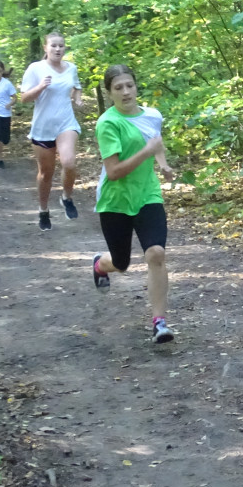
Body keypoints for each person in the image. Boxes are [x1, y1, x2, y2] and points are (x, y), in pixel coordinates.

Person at [91, 64, 176, 344]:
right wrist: (147, 153)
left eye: (130, 85)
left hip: (147, 195)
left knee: (156, 253)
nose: (126, 92)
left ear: (136, 87)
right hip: (115, 201)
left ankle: (159, 322)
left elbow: (156, 141)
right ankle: (101, 266)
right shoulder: (108, 123)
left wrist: (162, 164)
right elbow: (114, 172)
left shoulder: (152, 115)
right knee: (121, 262)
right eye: (118, 88)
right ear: (109, 93)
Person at [20, 31, 83, 231]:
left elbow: (77, 87)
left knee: (69, 162)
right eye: (53, 45)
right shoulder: (35, 68)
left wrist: (78, 98)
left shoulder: (71, 68)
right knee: (46, 174)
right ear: (45, 48)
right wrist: (39, 87)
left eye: (61, 46)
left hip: (66, 123)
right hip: (43, 127)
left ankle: (66, 197)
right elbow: (24, 98)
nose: (58, 49)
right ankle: (43, 210)